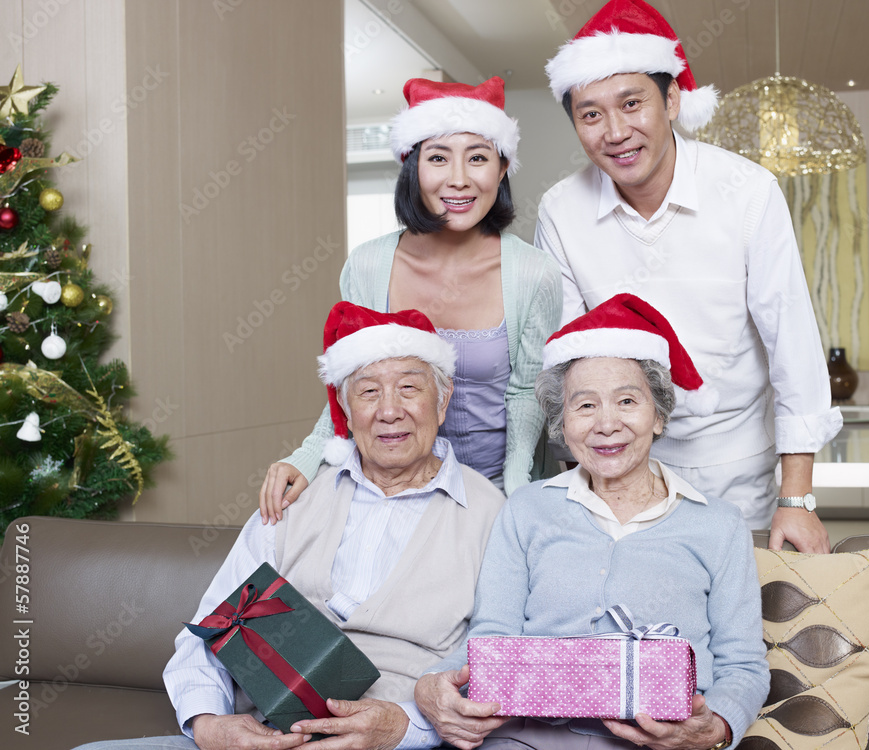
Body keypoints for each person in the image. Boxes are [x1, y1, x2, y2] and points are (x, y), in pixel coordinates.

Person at [77, 301, 508, 750]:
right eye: (368, 392)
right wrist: (209, 724)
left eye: (408, 388)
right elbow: (210, 627)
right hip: (265, 731)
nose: (389, 410)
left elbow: (495, 657)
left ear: (443, 400)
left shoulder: (493, 514)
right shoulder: (294, 499)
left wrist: (407, 728)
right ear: (344, 406)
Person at [533, 0, 842, 553]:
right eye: (591, 114)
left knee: (732, 631)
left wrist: (797, 499)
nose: (616, 131)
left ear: (672, 99)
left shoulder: (748, 192)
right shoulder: (561, 209)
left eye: (632, 104)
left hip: (734, 472)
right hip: (611, 474)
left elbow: (792, 345)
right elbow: (566, 364)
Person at [414, 293, 770, 750]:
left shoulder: (720, 526)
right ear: (562, 425)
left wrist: (717, 729)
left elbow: (743, 666)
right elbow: (493, 639)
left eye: (627, 401)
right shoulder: (525, 510)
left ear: (658, 415)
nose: (606, 424)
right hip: (526, 739)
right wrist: (428, 685)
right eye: (584, 406)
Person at [259, 76, 561, 518]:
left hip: (493, 492)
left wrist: (515, 488)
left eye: (477, 158)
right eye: (438, 158)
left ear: (501, 168)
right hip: (389, 490)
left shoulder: (535, 274)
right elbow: (349, 385)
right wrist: (307, 456)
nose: (458, 179)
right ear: (413, 167)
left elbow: (526, 392)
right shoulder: (367, 266)